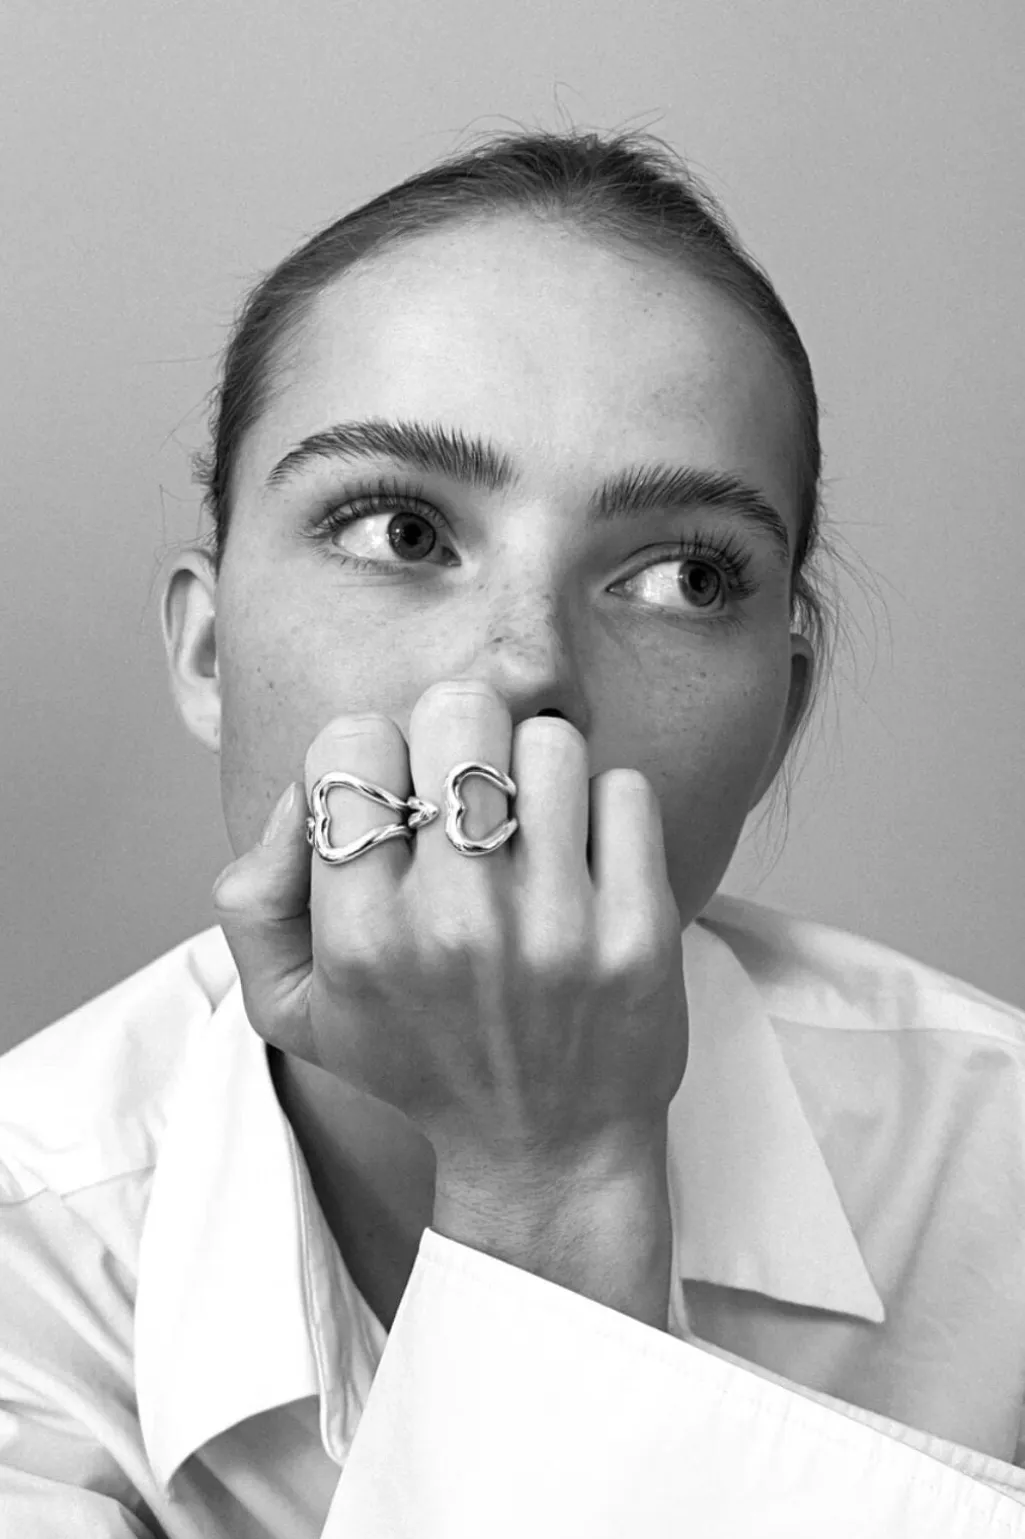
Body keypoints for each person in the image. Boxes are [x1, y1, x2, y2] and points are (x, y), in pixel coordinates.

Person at [2, 123, 1024, 1539]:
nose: (527, 667)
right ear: (208, 649)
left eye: (684, 574)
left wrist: (551, 1179)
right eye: (400, 530)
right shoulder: (32, 1252)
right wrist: (543, 1187)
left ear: (781, 718)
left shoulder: (997, 1176)